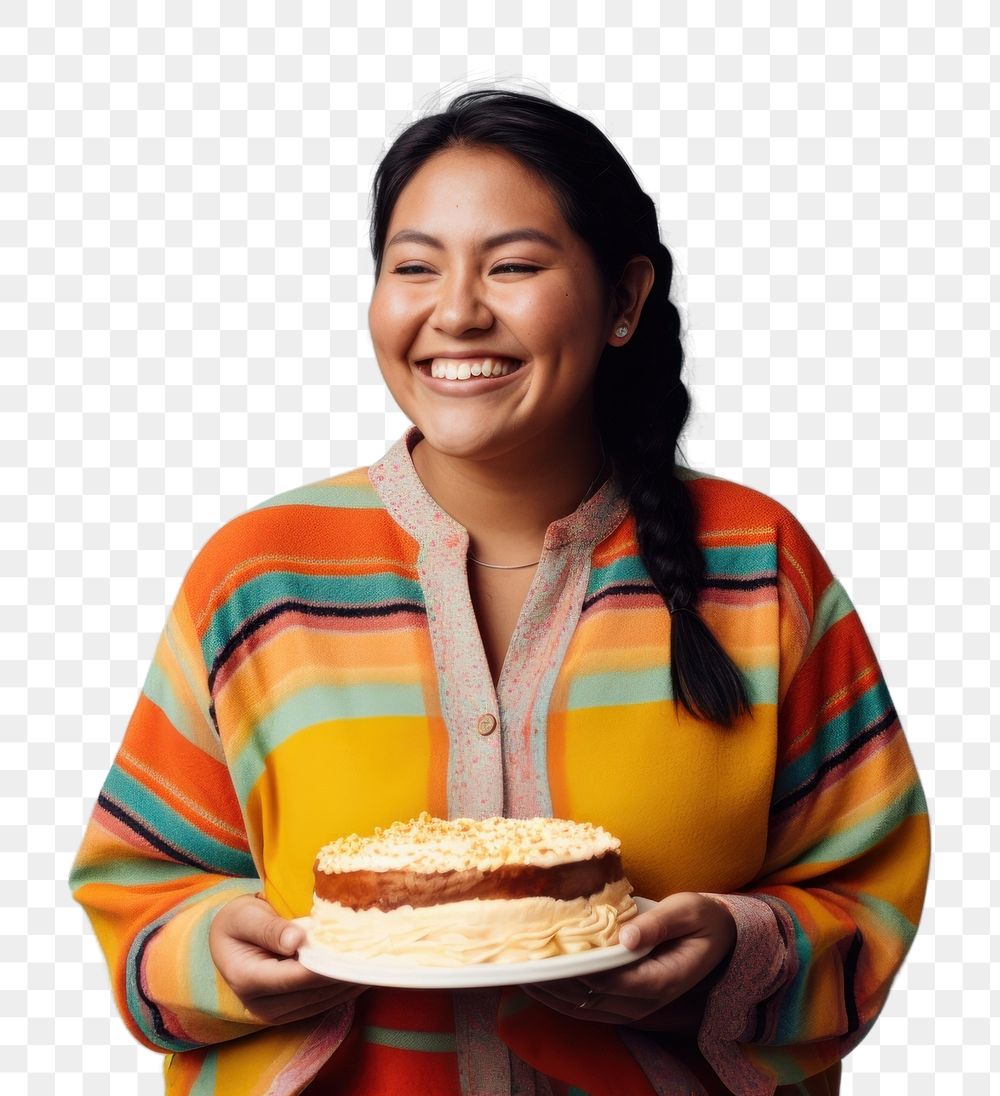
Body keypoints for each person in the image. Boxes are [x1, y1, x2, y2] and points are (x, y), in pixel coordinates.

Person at [71, 87, 930, 1095]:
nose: (457, 310)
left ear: (623, 299)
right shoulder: (260, 572)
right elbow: (140, 886)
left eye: (513, 265)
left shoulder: (755, 560)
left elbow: (863, 890)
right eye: (414, 267)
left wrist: (731, 948)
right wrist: (218, 955)